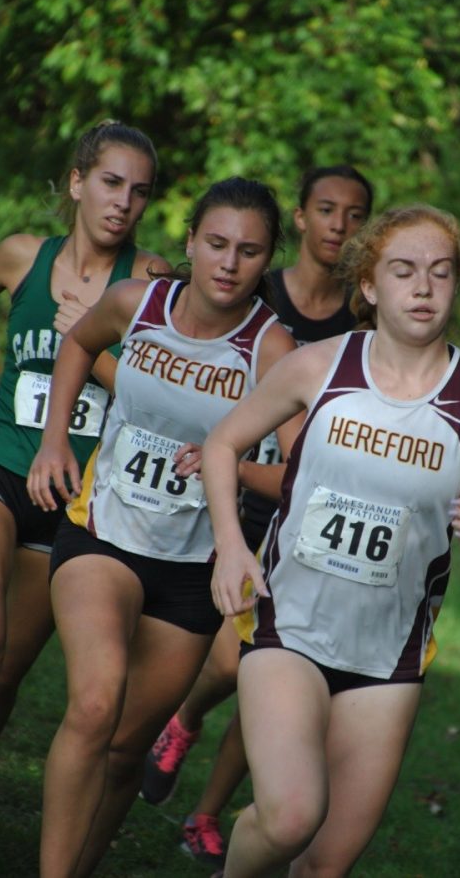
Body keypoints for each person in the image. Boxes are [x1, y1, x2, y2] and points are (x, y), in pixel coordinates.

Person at [202, 203, 460, 877]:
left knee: (324, 864)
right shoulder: (317, 366)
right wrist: (232, 546)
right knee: (292, 816)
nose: (422, 288)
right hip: (288, 629)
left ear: (454, 286)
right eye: (404, 271)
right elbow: (221, 442)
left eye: (440, 274)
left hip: (387, 661)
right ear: (370, 285)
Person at [26, 176, 303, 877]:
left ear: (266, 260)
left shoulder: (274, 350)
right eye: (215, 243)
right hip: (102, 534)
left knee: (125, 747)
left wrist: (230, 466)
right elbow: (76, 347)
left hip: (190, 571)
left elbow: (302, 473)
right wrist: (54, 439)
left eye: (248, 251)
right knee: (94, 705)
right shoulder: (135, 303)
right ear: (189, 243)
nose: (228, 262)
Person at [0, 120, 169, 877]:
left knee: (6, 671)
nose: (122, 204)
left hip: (74, 500)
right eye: (110, 183)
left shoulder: (149, 280)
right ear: (77, 182)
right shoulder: (20, 256)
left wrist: (93, 349)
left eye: (139, 192)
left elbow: (162, 399)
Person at [140, 164, 373, 869]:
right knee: (234, 660)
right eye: (325, 209)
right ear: (298, 221)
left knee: (266, 665)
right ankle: (179, 722)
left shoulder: (362, 319)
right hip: (215, 485)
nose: (338, 224)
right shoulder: (253, 286)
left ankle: (206, 805)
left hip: (296, 501)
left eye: (355, 214)